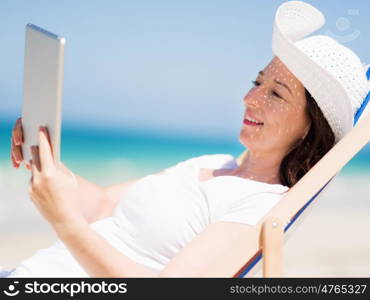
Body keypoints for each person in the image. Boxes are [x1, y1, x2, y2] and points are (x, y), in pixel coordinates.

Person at [4, 1, 369, 277]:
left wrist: (65, 222)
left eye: (276, 94)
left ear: (310, 126)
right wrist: (46, 162)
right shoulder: (210, 164)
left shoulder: (261, 206)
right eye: (257, 82)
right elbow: (101, 205)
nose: (250, 98)